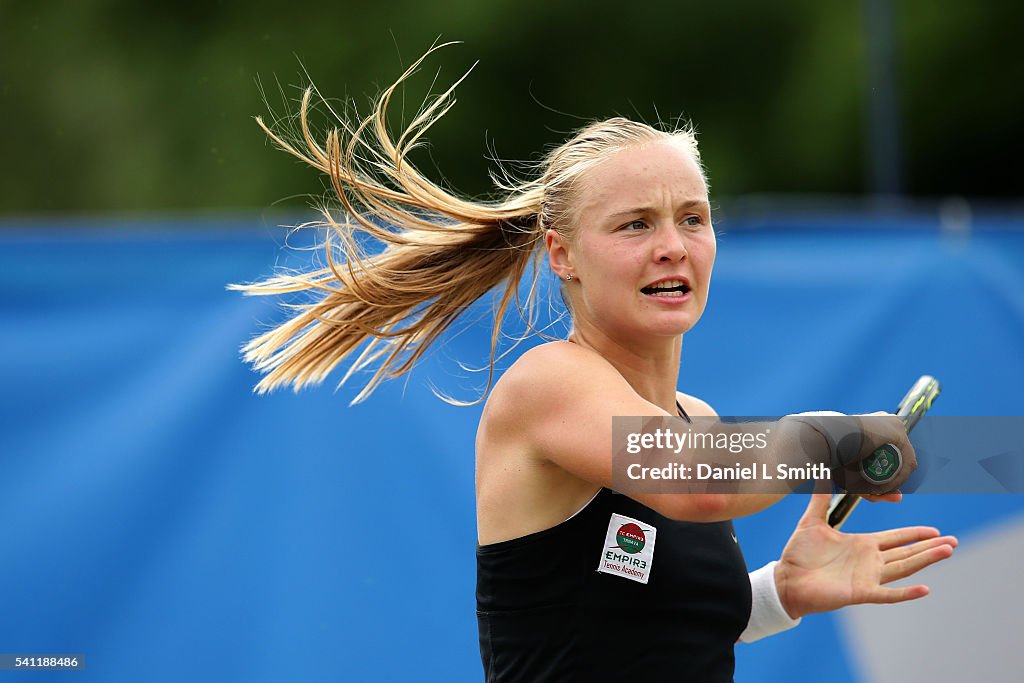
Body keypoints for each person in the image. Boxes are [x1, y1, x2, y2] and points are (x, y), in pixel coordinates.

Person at [231, 45, 957, 682]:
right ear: (562, 254)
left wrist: (780, 594)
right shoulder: (550, 386)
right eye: (635, 224)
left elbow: (643, 635)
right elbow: (694, 479)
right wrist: (832, 440)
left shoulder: (694, 422)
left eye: (692, 218)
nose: (672, 245)